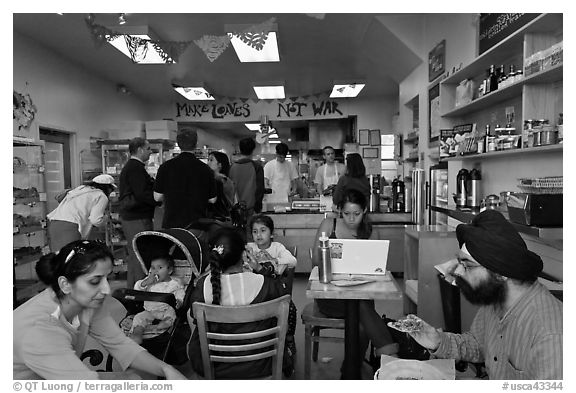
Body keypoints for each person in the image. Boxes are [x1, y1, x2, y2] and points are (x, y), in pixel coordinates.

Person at [408, 210, 563, 380]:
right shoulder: (496, 298)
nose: (458, 271)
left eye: (467, 265)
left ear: (500, 273)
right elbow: (479, 344)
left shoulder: (550, 334)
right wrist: (438, 341)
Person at [13, 240, 187, 380]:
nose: (106, 289)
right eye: (95, 281)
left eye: (107, 278)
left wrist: (166, 369)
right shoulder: (41, 330)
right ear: (65, 284)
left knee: (134, 378)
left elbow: (120, 344)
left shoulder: (86, 302)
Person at [312, 189, 398, 370]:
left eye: (356, 214)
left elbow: (378, 266)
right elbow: (315, 261)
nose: (351, 219)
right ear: (339, 211)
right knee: (363, 310)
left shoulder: (370, 231)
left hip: (361, 292)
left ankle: (350, 370)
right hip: (332, 296)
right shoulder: (329, 225)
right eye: (347, 214)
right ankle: (391, 358)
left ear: (365, 211)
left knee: (361, 319)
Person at [187, 228, 289, 379]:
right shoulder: (264, 284)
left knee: (191, 318)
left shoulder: (204, 286)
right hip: (262, 364)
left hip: (215, 367)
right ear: (243, 254)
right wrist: (261, 270)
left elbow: (194, 318)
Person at [244, 214, 298, 377]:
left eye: (263, 230)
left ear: (271, 233)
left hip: (273, 292)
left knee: (291, 308)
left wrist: (271, 259)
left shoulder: (277, 247)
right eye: (255, 231)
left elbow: (292, 261)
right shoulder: (249, 247)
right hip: (251, 292)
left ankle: (288, 338)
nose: (258, 235)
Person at [154, 128, 217, 229]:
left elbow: (157, 197)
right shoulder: (205, 169)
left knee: (173, 245)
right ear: (196, 144)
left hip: (172, 225)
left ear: (178, 144)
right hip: (197, 225)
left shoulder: (165, 167)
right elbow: (213, 200)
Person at [119, 137, 158, 288]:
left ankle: (134, 287)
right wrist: (157, 199)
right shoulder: (135, 168)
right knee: (140, 254)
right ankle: (139, 289)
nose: (150, 152)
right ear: (140, 150)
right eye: (148, 149)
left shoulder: (133, 167)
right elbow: (142, 193)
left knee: (135, 254)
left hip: (133, 216)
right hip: (137, 217)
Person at [47, 174, 116, 252]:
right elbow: (95, 220)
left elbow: (60, 199)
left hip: (54, 223)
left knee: (58, 257)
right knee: (71, 258)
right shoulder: (101, 195)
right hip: (70, 226)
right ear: (108, 188)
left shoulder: (80, 189)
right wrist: (105, 219)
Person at [128, 255, 185, 345]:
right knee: (139, 317)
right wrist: (145, 283)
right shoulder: (149, 282)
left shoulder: (174, 284)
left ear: (169, 270)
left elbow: (180, 293)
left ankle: (166, 322)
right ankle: (137, 333)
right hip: (150, 311)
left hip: (165, 309)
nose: (155, 271)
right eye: (153, 268)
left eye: (160, 268)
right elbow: (137, 289)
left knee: (172, 313)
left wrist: (179, 301)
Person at [229, 137, 265, 216]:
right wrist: (258, 209)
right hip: (251, 210)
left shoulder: (232, 167)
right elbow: (259, 189)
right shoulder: (257, 167)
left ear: (240, 149)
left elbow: (230, 189)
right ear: (253, 150)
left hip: (235, 210)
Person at [206, 151, 236, 221]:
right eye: (208, 160)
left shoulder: (221, 181)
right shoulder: (227, 180)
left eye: (211, 160)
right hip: (225, 216)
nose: (208, 163)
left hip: (219, 217)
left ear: (219, 165)